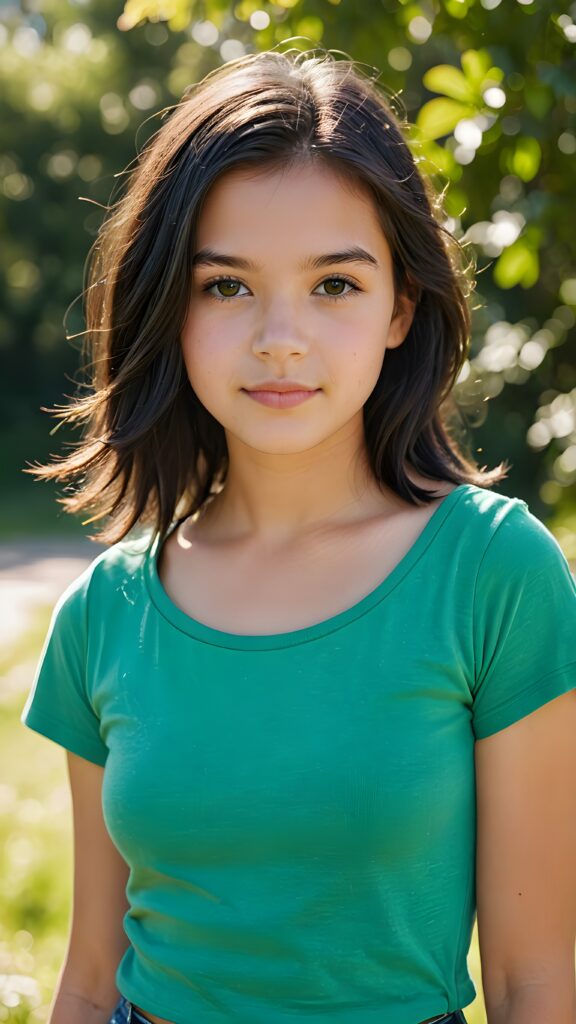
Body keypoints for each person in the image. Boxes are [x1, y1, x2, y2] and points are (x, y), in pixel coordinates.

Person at [20, 46, 576, 1024]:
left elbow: (538, 982)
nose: (280, 338)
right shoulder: (103, 613)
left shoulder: (497, 574)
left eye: (335, 285)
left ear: (401, 306)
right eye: (227, 286)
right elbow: (90, 978)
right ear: (171, 306)